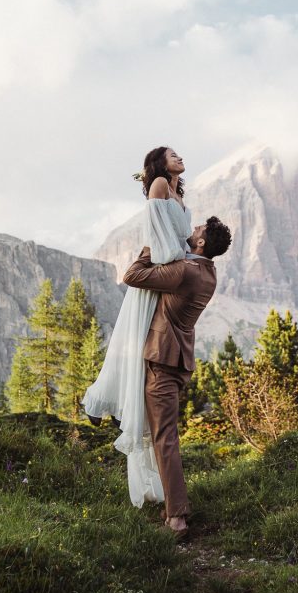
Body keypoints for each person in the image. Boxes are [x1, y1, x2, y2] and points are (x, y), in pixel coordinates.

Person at [82, 146, 191, 507]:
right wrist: (178, 269)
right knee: (136, 354)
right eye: (173, 154)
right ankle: (101, 402)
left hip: (168, 274)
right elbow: (160, 242)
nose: (180, 157)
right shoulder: (160, 184)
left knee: (144, 355)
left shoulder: (176, 191)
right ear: (159, 164)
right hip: (159, 273)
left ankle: (156, 480)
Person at [123, 215, 232, 538]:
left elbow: (132, 275)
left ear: (200, 243)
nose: (191, 230)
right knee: (165, 435)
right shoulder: (207, 272)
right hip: (177, 359)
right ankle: (171, 502)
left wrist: (151, 243)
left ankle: (177, 517)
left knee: (164, 438)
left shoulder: (185, 271)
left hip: (163, 360)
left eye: (196, 230)